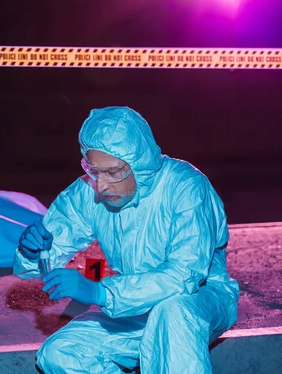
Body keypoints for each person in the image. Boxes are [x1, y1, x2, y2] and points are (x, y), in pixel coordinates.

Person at [14, 106, 239, 373]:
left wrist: (101, 292)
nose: (101, 185)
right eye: (94, 170)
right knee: (60, 353)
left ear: (139, 164)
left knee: (172, 313)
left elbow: (184, 276)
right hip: (132, 305)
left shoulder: (186, 187)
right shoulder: (90, 190)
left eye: (113, 172)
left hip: (197, 300)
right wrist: (32, 252)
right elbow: (41, 262)